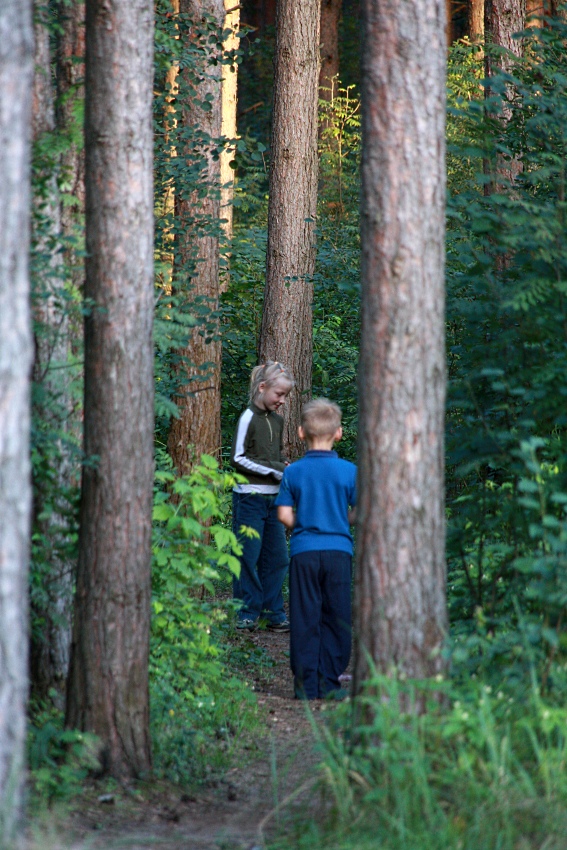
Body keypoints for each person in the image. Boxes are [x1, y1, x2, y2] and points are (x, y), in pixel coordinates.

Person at [275, 398, 356, 699]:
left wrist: (306, 523)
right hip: (338, 552)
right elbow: (362, 509)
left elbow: (283, 515)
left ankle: (306, 686)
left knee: (305, 615)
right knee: (336, 615)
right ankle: (330, 682)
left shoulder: (293, 472)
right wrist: (340, 521)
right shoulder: (349, 471)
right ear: (339, 433)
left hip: (303, 553)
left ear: (300, 433)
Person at [230, 360, 295, 631]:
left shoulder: (278, 420)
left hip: (274, 501)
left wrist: (285, 467)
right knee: (247, 555)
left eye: (286, 396)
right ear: (262, 387)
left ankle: (273, 613)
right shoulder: (247, 417)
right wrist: (277, 470)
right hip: (249, 499)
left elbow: (277, 454)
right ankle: (246, 611)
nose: (282, 400)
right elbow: (238, 458)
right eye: (279, 394)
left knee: (278, 557)